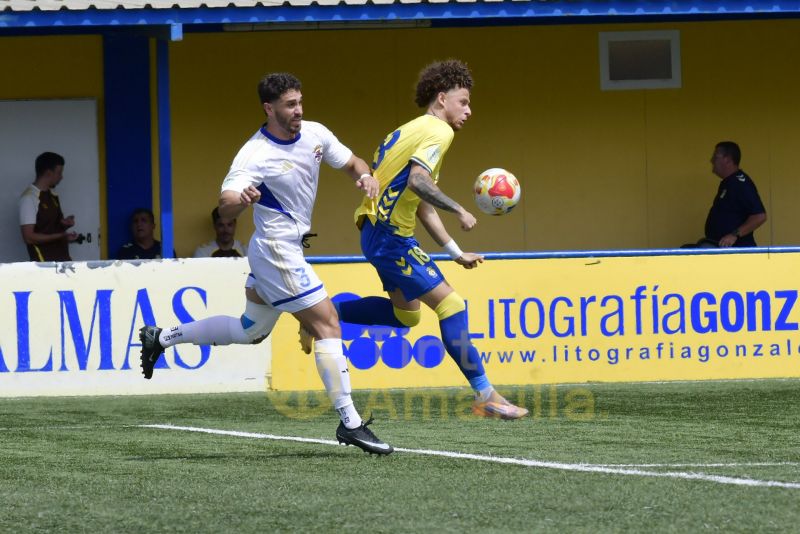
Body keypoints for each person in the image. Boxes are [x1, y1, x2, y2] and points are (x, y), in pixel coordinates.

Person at [138, 72, 392, 454]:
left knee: (250, 330)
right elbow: (225, 203)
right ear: (268, 108)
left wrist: (367, 178)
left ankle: (162, 337)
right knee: (328, 324)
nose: (299, 111)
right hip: (277, 249)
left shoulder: (315, 134)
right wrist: (241, 200)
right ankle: (350, 422)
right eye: (290, 105)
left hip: (279, 248)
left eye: (300, 102)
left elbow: (353, 162)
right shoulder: (254, 153)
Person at [302, 59, 528, 420]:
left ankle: (318, 315)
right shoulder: (440, 132)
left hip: (379, 233)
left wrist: (454, 252)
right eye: (463, 101)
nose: (469, 110)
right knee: (452, 305)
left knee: (406, 317)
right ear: (442, 99)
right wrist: (459, 209)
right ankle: (487, 395)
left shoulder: (408, 131)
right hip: (390, 237)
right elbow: (419, 183)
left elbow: (419, 204)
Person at [683, 141, 767, 248]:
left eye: (715, 157)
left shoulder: (740, 183)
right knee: (686, 250)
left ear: (727, 159)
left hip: (737, 251)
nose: (711, 160)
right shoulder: (728, 183)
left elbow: (760, 216)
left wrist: (734, 235)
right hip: (718, 247)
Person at [19, 151, 78, 261]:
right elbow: (29, 237)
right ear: (48, 173)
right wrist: (60, 236)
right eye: (59, 173)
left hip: (62, 262)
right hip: (44, 265)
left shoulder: (52, 194)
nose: (61, 177)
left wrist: (64, 225)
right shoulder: (29, 198)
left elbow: (48, 227)